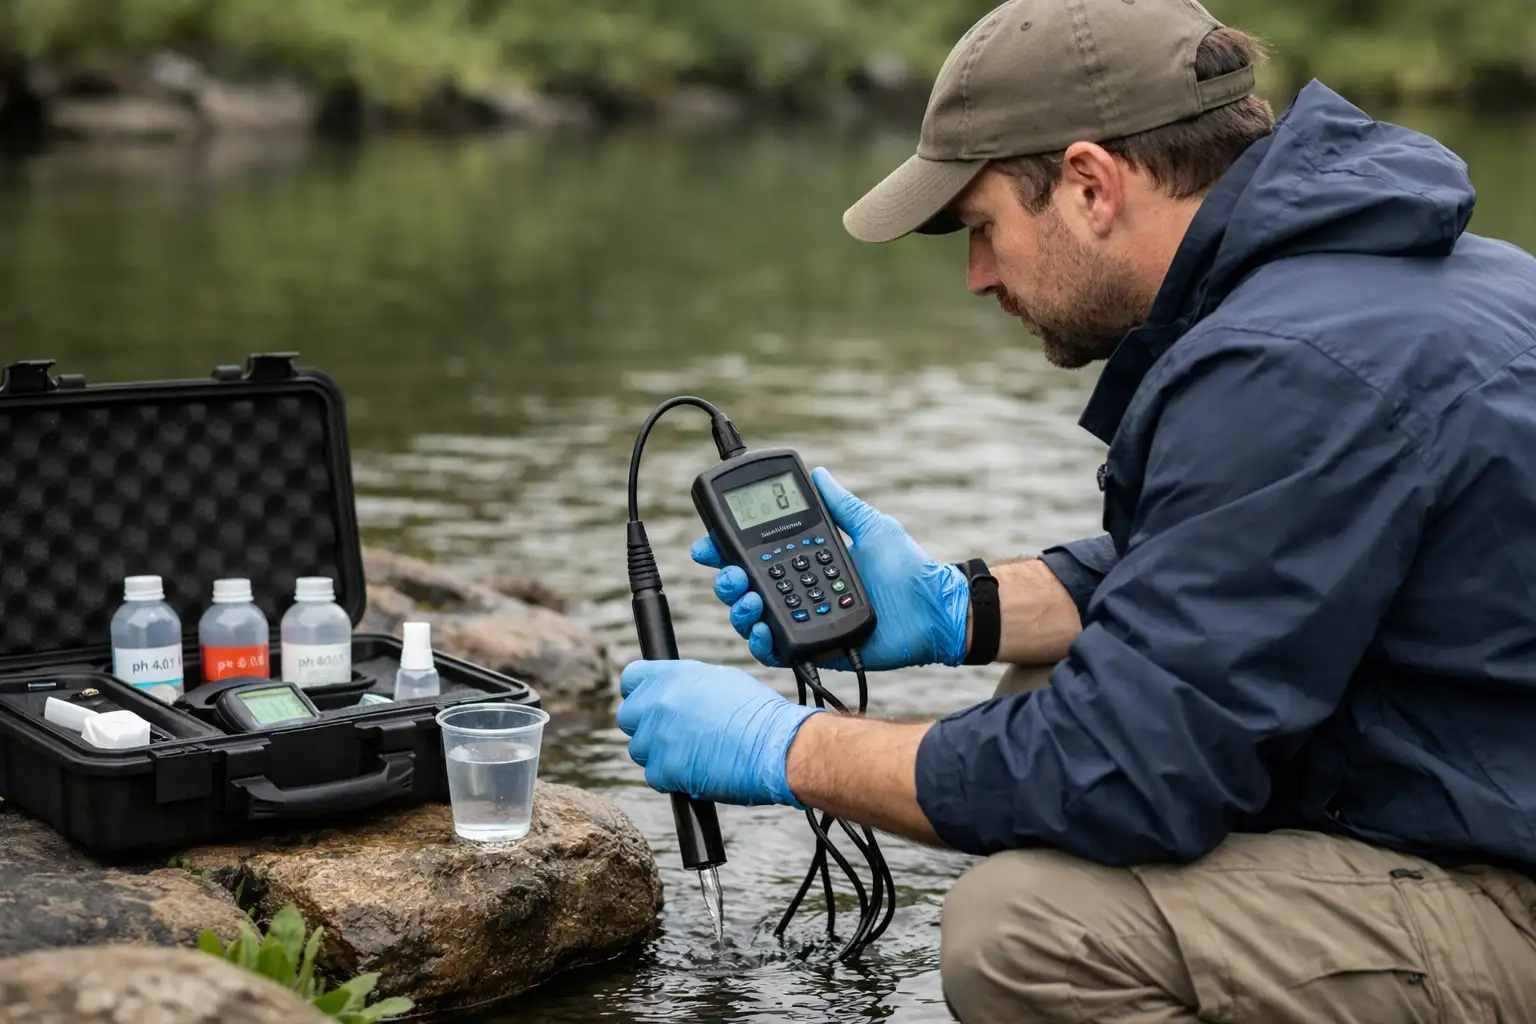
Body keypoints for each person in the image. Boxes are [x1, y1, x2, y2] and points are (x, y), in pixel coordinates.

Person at [615, 0, 1536, 1019]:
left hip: (1512, 892)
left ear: (1093, 185)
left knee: (1022, 930)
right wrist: (957, 606)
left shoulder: (1286, 365)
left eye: (982, 227)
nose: (976, 276)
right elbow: (1238, 563)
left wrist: (783, 750)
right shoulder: (1404, 280)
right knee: (1039, 682)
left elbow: (1123, 767)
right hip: (1488, 782)